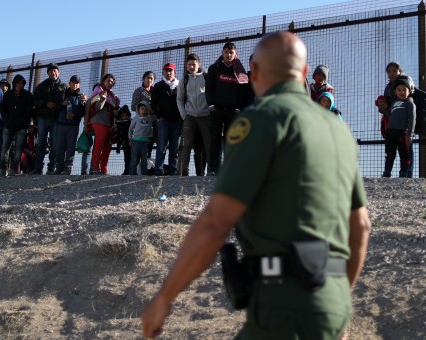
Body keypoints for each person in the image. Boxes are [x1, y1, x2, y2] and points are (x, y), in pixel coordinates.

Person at [141, 31, 371, 339]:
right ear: (303, 73)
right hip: (334, 297)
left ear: (256, 74)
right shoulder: (338, 131)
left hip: (282, 306)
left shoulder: (259, 121)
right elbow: (361, 226)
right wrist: (335, 300)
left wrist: (164, 298)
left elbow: (215, 223)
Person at [205, 42, 250, 175]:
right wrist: (211, 104)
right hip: (216, 110)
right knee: (215, 139)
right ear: (222, 53)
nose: (228, 55)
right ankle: (214, 169)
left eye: (231, 52)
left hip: (233, 111)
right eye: (226, 52)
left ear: (235, 54)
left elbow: (243, 92)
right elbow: (209, 88)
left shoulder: (240, 71)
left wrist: (238, 107)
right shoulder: (214, 68)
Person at [176, 53, 211, 176]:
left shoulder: (207, 77)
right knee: (187, 145)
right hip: (189, 116)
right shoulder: (183, 81)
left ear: (198, 64)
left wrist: (210, 110)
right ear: (186, 66)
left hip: (206, 115)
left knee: (208, 145)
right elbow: (179, 99)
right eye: (189, 64)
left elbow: (211, 95)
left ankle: (210, 171)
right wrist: (184, 115)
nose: (192, 67)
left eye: (194, 64)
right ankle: (184, 172)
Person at [377, 62, 414, 177]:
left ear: (400, 71)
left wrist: (410, 131)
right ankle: (387, 172)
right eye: (389, 71)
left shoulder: (407, 81)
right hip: (391, 124)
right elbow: (387, 106)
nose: (392, 74)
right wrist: (381, 106)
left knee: (406, 150)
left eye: (394, 71)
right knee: (390, 151)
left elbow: (411, 94)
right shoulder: (388, 87)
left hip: (404, 123)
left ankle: (408, 173)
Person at [33, 63, 68, 175]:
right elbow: (34, 100)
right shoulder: (42, 86)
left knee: (54, 144)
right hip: (43, 118)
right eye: (51, 71)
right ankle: (38, 168)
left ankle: (51, 168)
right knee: (41, 143)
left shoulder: (65, 87)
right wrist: (46, 103)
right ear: (48, 73)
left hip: (56, 119)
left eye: (55, 70)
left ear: (59, 72)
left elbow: (71, 97)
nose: (53, 73)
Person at [0, 74, 33, 177]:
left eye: (22, 83)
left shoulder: (27, 95)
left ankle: (13, 169)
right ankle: (2, 168)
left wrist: (25, 122)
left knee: (19, 149)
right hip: (8, 125)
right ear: (14, 83)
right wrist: (6, 120)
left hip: (21, 127)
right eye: (18, 82)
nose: (20, 85)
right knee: (5, 148)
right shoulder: (8, 95)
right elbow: (2, 108)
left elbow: (29, 111)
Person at [85, 73, 120, 175]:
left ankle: (104, 170)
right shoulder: (99, 91)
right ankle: (96, 169)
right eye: (108, 81)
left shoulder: (113, 96)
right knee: (99, 145)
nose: (110, 83)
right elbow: (94, 105)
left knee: (107, 147)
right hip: (99, 121)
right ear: (103, 81)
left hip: (109, 124)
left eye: (112, 82)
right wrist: (102, 99)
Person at [151, 62, 181, 176]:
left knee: (174, 148)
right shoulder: (158, 86)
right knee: (161, 147)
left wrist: (180, 117)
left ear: (174, 72)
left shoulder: (180, 86)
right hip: (163, 121)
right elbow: (153, 104)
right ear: (163, 72)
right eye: (166, 70)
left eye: (171, 70)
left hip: (176, 122)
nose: (168, 73)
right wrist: (159, 116)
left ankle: (173, 171)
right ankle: (159, 170)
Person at [54, 75, 86, 175]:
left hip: (73, 125)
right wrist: (62, 105)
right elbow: (56, 109)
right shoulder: (62, 94)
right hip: (61, 124)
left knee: (70, 147)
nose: (74, 85)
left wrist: (75, 115)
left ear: (79, 84)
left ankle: (67, 168)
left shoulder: (82, 97)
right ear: (69, 83)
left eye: (76, 83)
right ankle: (58, 167)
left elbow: (83, 111)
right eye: (73, 82)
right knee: (59, 147)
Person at [129, 101, 155, 175]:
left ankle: (144, 173)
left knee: (144, 159)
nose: (144, 111)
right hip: (136, 141)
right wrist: (130, 138)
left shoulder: (150, 119)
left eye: (146, 109)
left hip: (145, 142)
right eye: (142, 109)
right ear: (138, 109)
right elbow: (130, 129)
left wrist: (152, 138)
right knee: (134, 158)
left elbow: (152, 129)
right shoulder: (136, 118)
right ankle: (132, 173)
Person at [115, 105, 132, 175]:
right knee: (126, 157)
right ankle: (127, 171)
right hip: (125, 143)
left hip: (131, 142)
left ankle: (132, 171)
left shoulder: (130, 122)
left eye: (126, 115)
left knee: (132, 157)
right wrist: (118, 147)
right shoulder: (120, 124)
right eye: (123, 116)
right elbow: (118, 135)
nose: (124, 117)